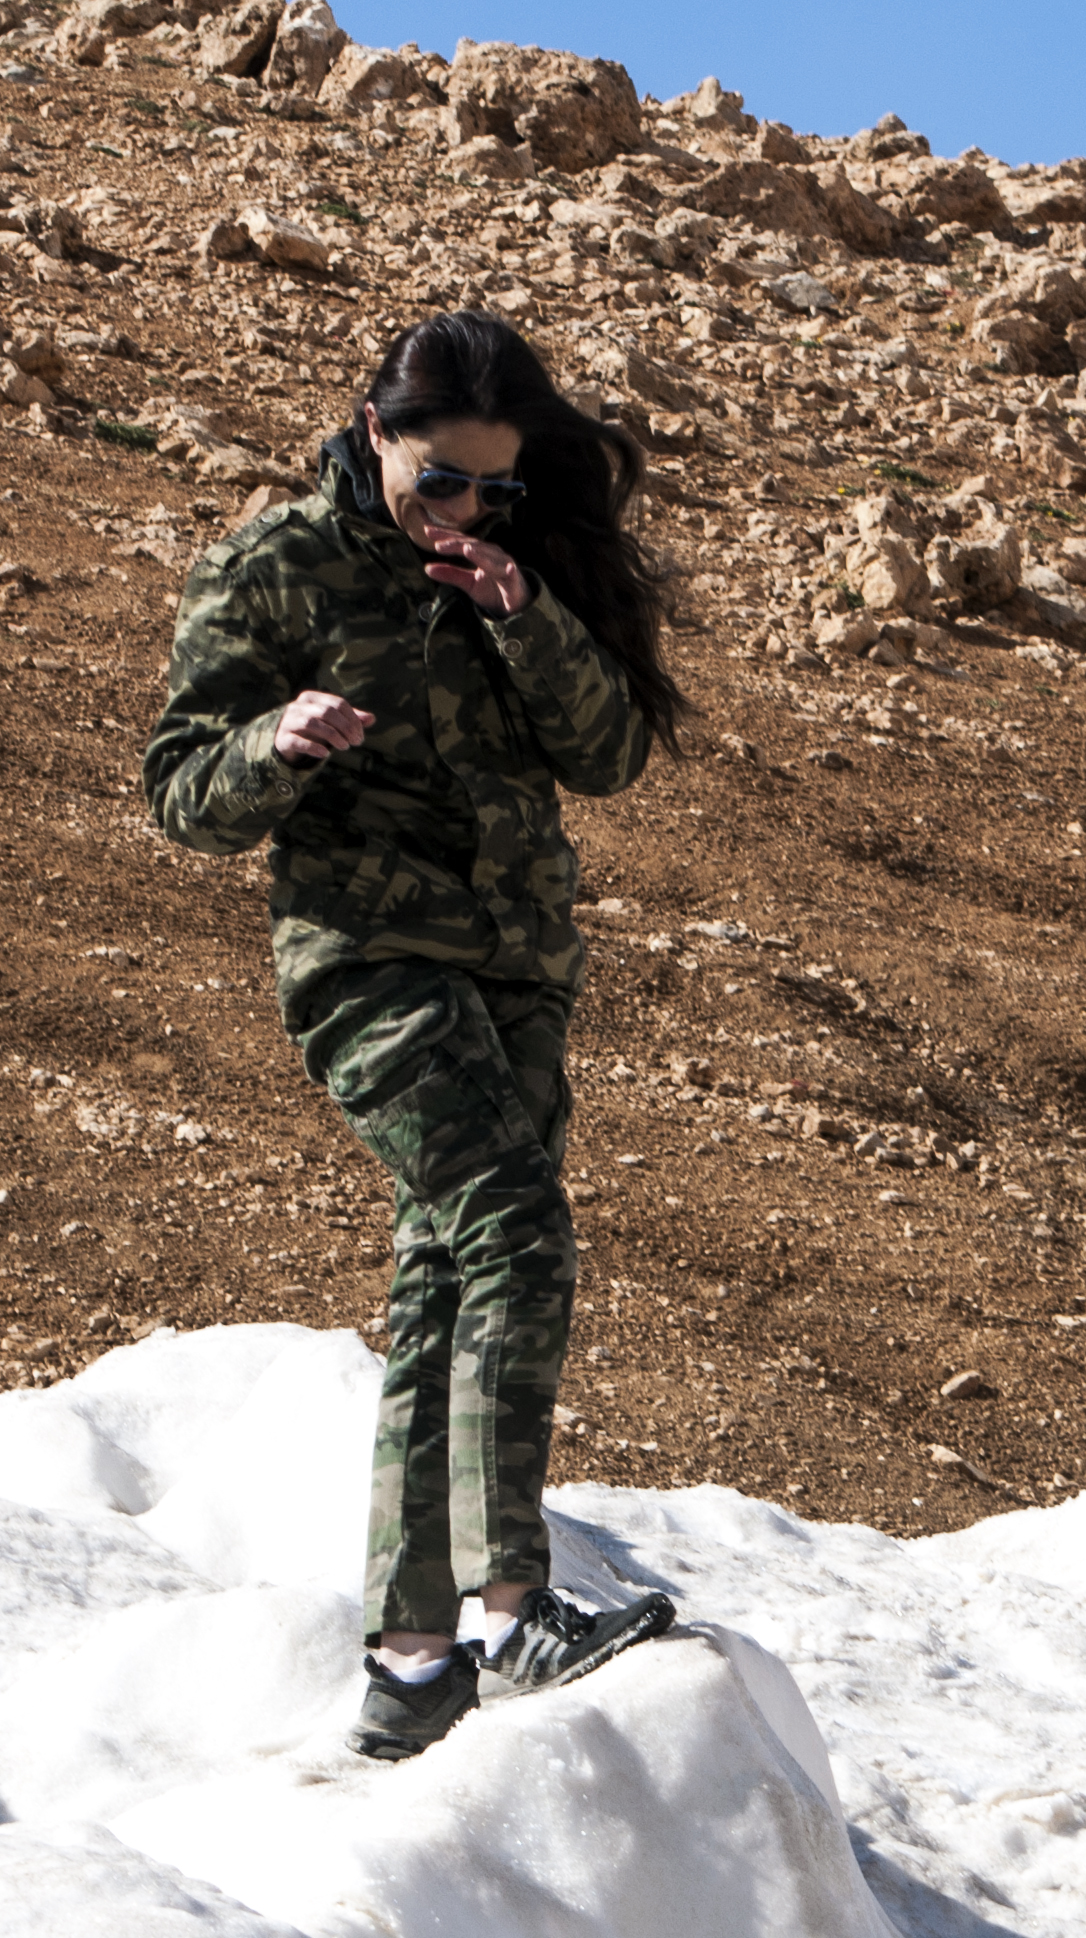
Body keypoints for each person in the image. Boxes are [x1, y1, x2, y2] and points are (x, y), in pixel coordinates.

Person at [143, 309, 689, 1761]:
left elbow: (613, 755)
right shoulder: (275, 568)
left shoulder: (514, 571)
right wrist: (277, 743)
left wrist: (527, 610)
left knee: (445, 1277)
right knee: (515, 1227)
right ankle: (515, 1608)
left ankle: (411, 1654)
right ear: (374, 434)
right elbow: (180, 792)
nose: (464, 507)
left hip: (521, 969)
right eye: (440, 478)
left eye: (494, 487)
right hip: (369, 965)